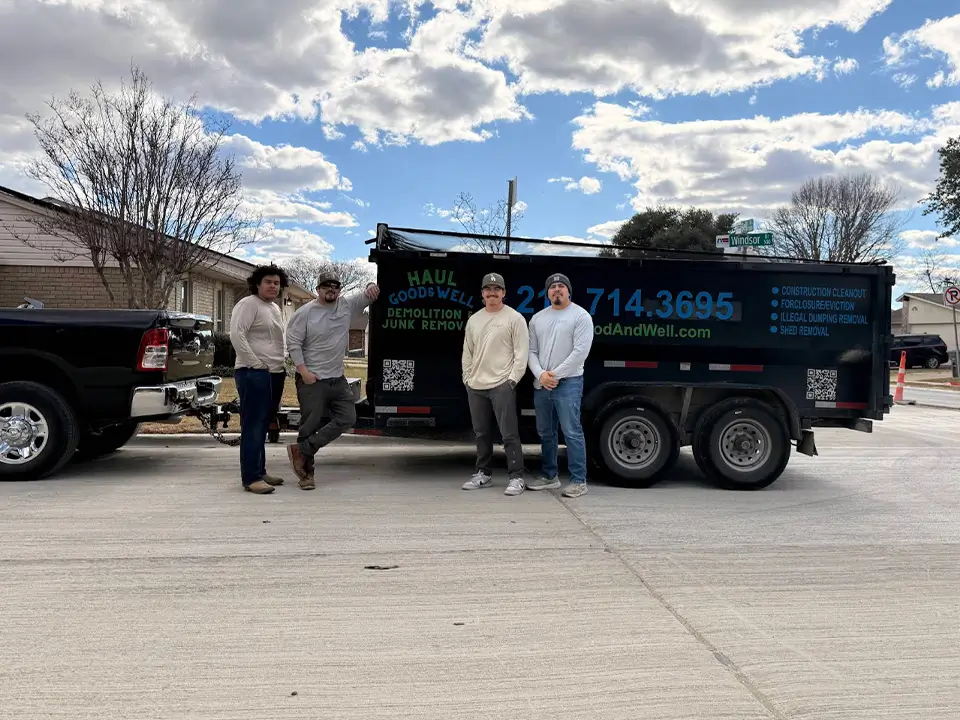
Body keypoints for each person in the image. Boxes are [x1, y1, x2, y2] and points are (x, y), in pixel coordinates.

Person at [285, 270, 380, 489]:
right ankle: (306, 475)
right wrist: (304, 372)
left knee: (348, 417)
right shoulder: (305, 313)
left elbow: (369, 293)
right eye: (326, 286)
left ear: (339, 289)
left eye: (335, 286)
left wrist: (370, 284)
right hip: (312, 379)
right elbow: (293, 343)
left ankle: (302, 450)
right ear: (318, 289)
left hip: (337, 378)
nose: (331, 289)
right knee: (309, 425)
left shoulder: (346, 305)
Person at [460, 272, 530, 495]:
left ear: (504, 292)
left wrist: (512, 380)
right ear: (482, 293)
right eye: (488, 289)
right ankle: (483, 473)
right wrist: (467, 378)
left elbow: (522, 354)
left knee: (509, 434)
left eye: (497, 289)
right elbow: (467, 352)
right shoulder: (474, 320)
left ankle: (516, 477)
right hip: (476, 386)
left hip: (502, 384)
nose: (492, 293)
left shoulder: (515, 318)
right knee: (481, 433)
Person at [526, 273, 595, 498]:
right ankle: (549, 476)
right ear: (547, 293)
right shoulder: (537, 319)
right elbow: (531, 351)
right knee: (546, 432)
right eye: (553, 286)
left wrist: (553, 375)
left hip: (569, 383)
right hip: (542, 384)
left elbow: (580, 352)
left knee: (572, 431)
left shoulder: (581, 316)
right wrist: (540, 374)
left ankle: (578, 481)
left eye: (561, 286)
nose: (557, 289)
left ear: (568, 291)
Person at [230, 264, 290, 494]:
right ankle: (251, 478)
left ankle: (260, 471)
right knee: (253, 425)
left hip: (274, 372)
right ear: (257, 284)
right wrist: (255, 363)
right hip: (253, 372)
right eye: (268, 282)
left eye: (276, 283)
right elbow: (237, 335)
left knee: (264, 424)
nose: (273, 286)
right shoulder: (248, 304)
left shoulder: (274, 307)